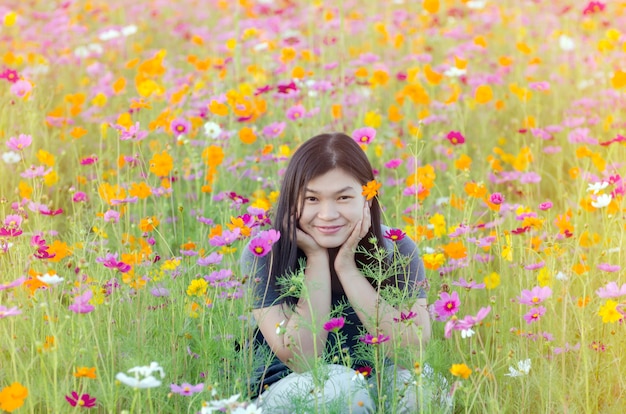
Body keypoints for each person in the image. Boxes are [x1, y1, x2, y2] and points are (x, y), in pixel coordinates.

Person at [240, 132, 447, 413]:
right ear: (291, 201)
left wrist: (347, 268)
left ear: (367, 198)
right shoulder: (266, 252)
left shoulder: (397, 248)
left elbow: (411, 352)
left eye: (343, 197)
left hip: (376, 381)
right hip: (289, 388)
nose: (327, 214)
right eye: (312, 199)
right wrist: (315, 259)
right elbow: (303, 360)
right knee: (342, 389)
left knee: (424, 390)